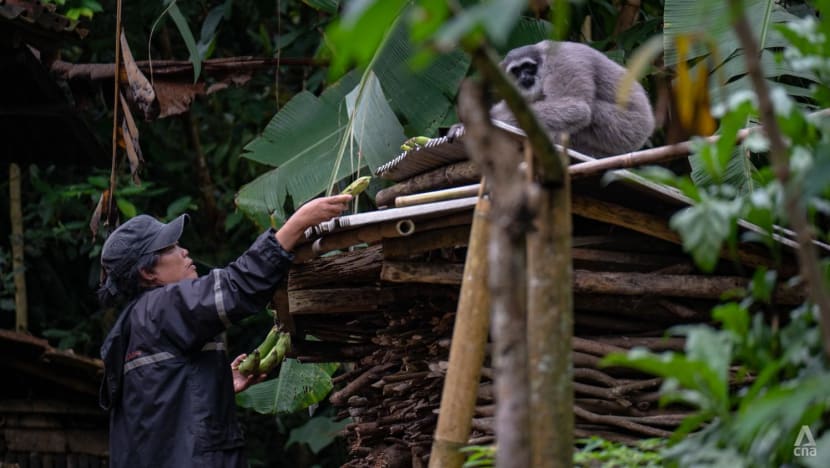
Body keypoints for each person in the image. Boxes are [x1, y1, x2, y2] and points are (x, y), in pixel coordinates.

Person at [97, 194, 351, 468]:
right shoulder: (162, 306)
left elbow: (160, 405)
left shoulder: (135, 321)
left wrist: (217, 383)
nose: (184, 252)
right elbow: (236, 287)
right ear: (148, 273)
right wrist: (296, 225)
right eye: (171, 248)